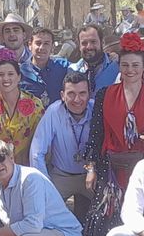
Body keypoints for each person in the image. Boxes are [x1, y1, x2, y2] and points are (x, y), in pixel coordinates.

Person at [77, 33, 144, 236]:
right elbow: (96, 134)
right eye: (125, 65)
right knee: (104, 222)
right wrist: (91, 168)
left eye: (135, 65)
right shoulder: (105, 95)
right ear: (120, 67)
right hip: (111, 171)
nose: (130, 70)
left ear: (143, 67)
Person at [30, 71, 96, 218]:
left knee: (105, 208)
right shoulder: (54, 111)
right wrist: (45, 185)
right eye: (71, 93)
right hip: (61, 175)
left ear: (89, 94)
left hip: (91, 174)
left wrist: (94, 169)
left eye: (82, 93)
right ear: (62, 95)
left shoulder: (96, 109)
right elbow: (37, 152)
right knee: (44, 212)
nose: (77, 99)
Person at [0, 60, 43, 166]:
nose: (6, 78)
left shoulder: (35, 105)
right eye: (1, 75)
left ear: (19, 77)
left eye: (11, 74)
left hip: (30, 167)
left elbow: (42, 142)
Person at [19, 28, 70, 101]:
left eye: (46, 43)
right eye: (38, 43)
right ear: (30, 45)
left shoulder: (63, 67)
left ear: (52, 47)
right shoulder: (21, 72)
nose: (42, 47)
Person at [72, 25, 119, 90]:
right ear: (79, 46)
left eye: (93, 42)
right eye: (84, 43)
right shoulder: (72, 70)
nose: (89, 47)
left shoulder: (117, 67)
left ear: (102, 43)